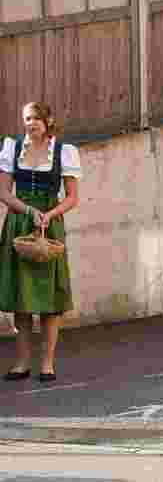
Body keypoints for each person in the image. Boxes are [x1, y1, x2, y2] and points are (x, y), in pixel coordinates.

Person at [0, 102, 82, 383]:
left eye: (36, 118)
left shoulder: (64, 151)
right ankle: (22, 362)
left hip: (50, 223)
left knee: (50, 298)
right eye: (26, 118)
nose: (31, 123)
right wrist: (28, 212)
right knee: (21, 297)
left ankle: (47, 363)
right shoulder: (12, 147)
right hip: (19, 222)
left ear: (48, 121)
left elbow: (72, 197)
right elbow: (3, 192)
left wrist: (49, 214)